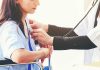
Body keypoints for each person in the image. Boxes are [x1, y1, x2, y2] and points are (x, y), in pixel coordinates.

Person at [30, 0, 100, 63]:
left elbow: (89, 41)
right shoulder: (96, 3)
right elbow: (77, 33)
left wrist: (50, 41)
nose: (38, 3)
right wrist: (46, 28)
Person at [0, 0, 52, 70]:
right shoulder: (10, 27)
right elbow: (19, 56)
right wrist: (43, 53)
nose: (38, 3)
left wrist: (40, 39)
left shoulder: (25, 21)